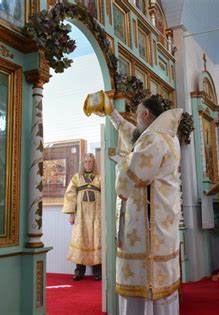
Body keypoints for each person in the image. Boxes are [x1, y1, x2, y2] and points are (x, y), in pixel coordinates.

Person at [108, 95, 183, 315]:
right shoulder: (169, 137)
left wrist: (120, 161)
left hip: (147, 229)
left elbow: (130, 177)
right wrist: (112, 114)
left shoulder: (153, 139)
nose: (136, 118)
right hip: (163, 223)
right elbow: (135, 139)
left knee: (145, 285)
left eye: (137, 114)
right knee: (163, 285)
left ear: (145, 114)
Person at [63, 153, 102, 281]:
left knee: (97, 240)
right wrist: (71, 214)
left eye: (91, 161)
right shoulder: (76, 178)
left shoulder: (100, 177)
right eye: (86, 161)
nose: (88, 164)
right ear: (82, 163)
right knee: (80, 240)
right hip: (81, 216)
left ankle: (98, 272)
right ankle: (79, 272)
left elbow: (107, 194)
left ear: (94, 163)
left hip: (96, 215)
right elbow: (70, 196)